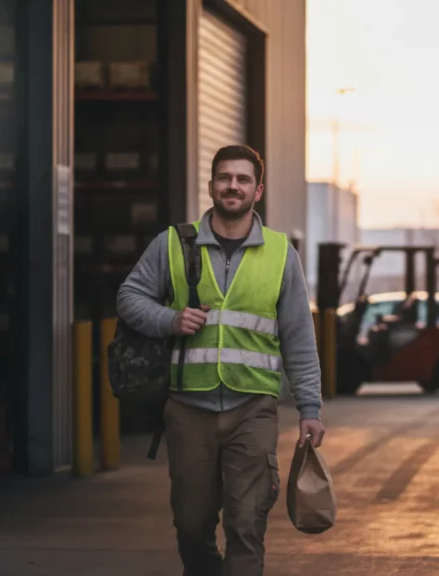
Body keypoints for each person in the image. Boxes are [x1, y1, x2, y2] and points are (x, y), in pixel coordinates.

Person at [116, 144, 325, 575]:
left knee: (247, 525)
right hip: (188, 407)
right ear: (211, 186)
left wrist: (310, 407)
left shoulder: (281, 254)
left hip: (254, 409)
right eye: (225, 178)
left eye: (243, 179)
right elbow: (128, 297)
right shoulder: (172, 244)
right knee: (192, 528)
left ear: (258, 189)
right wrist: (169, 319)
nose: (233, 186)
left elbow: (299, 338)